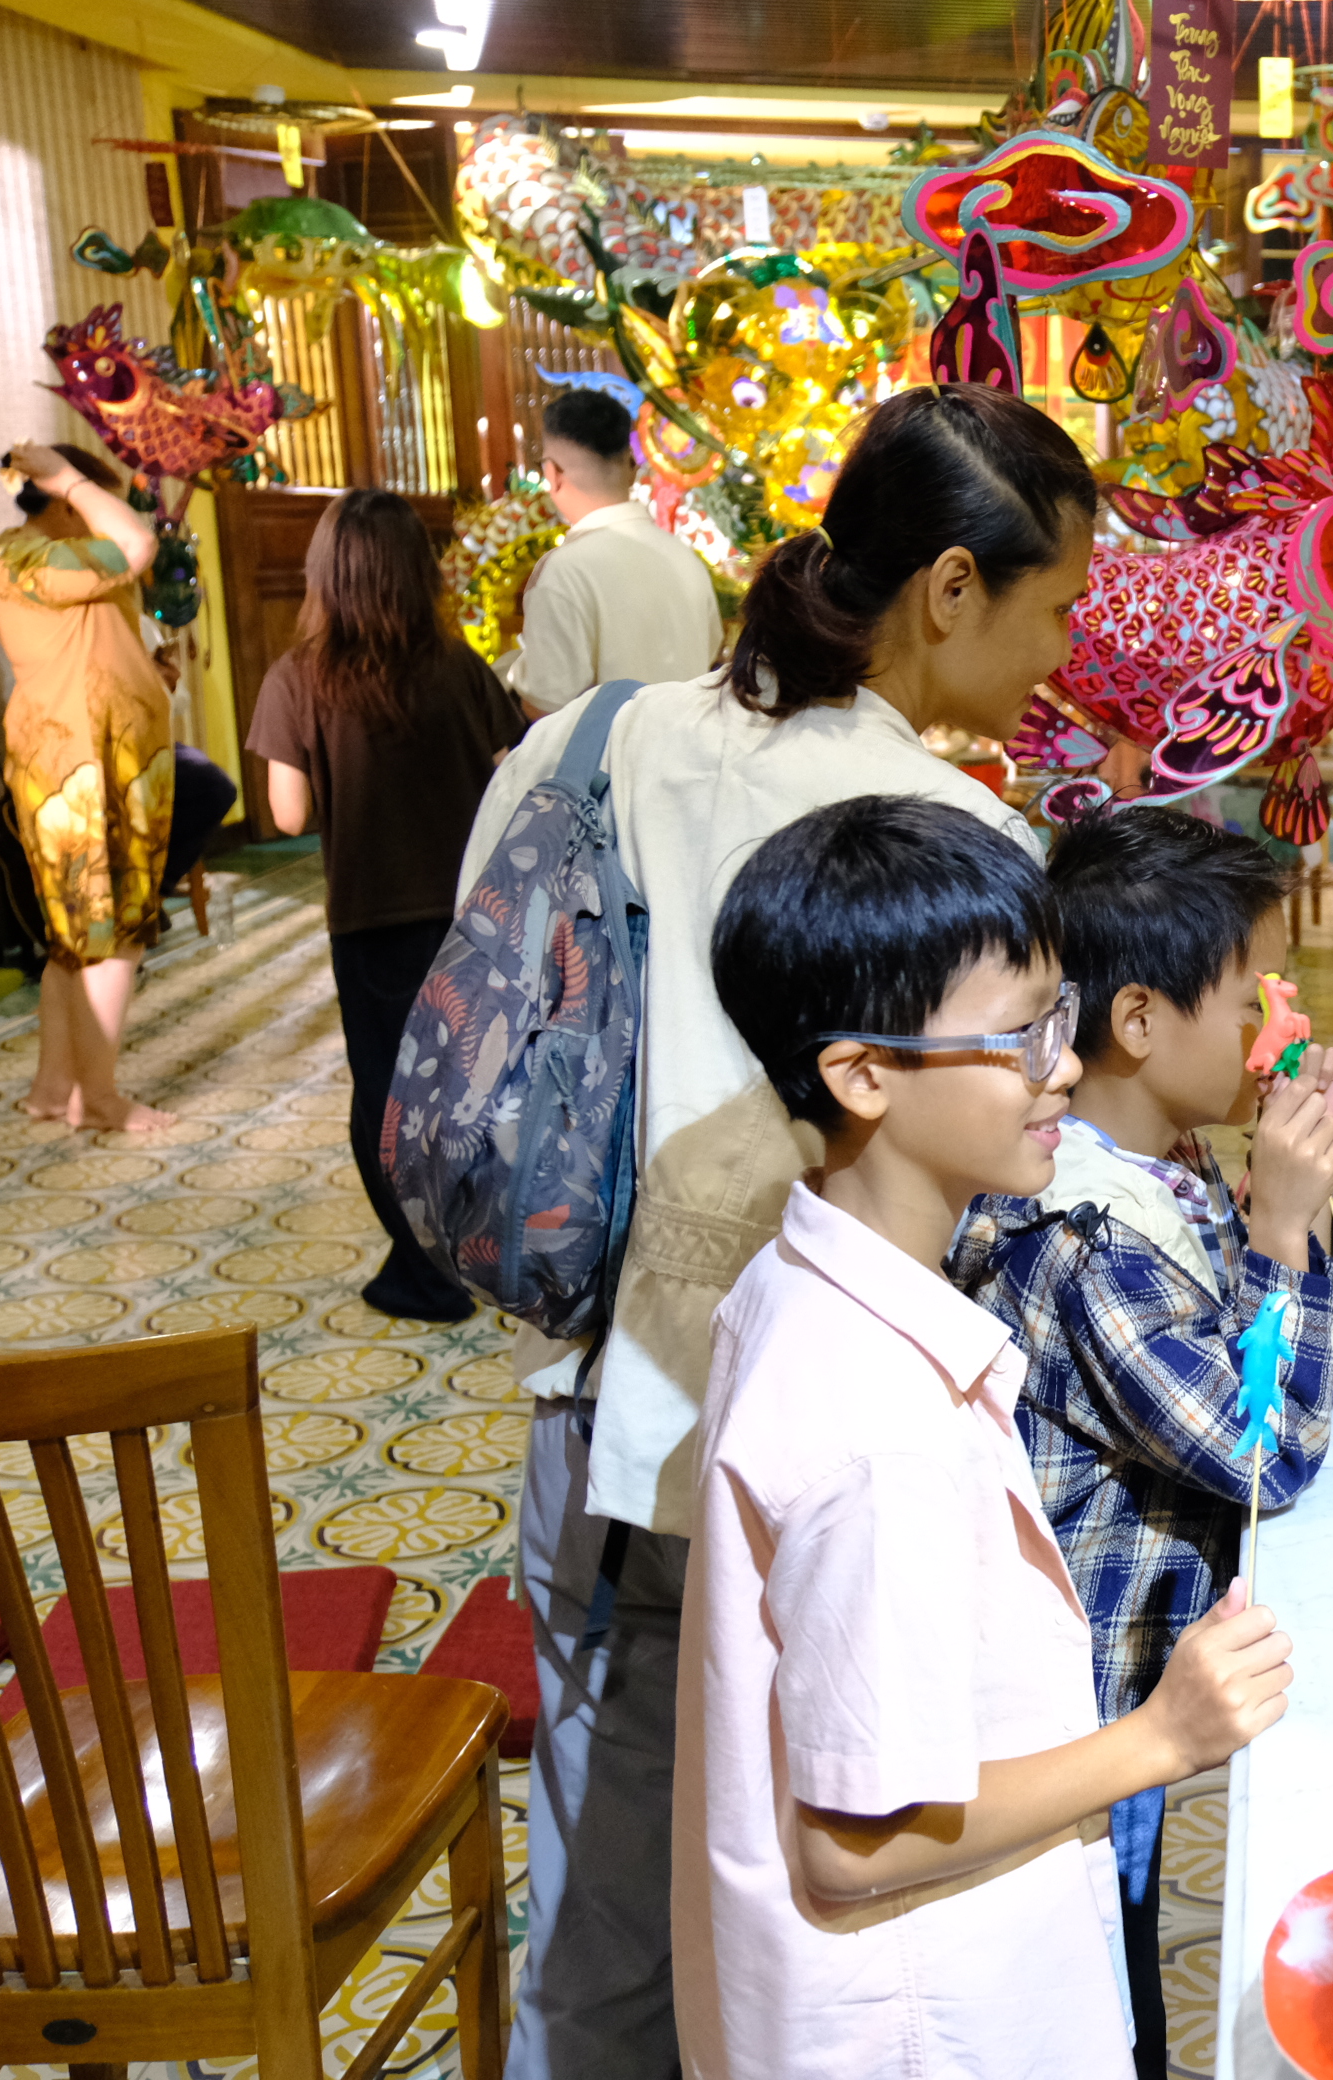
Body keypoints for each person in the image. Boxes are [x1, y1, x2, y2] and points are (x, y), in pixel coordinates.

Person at [456, 384, 1099, 2080]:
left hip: (610, 1419)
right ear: (951, 591)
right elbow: (1016, 1144)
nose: (1062, 656)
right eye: (1056, 611)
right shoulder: (947, 849)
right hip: (835, 1443)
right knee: (814, 1908)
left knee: (597, 1928)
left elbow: (492, 1025)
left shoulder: (585, 738)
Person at [677, 794, 1291, 2079]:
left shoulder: (813, 1280)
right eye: (1019, 1036)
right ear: (861, 1074)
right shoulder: (874, 1423)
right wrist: (1163, 1737)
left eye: (1057, 1022)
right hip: (919, 2027)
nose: (1060, 1068)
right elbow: (860, 1839)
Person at [947, 806, 1333, 2075]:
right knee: (1097, 1991)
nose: (1276, 1028)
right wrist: (1282, 1232)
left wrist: (1288, 1225)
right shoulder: (1084, 1236)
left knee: (1117, 1967)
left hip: (1118, 1699)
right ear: (1136, 1022)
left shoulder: (1161, 1160)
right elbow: (1265, 1453)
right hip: (1068, 1728)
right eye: (1252, 1001)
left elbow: (1289, 1382)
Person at [246, 489, 526, 1323]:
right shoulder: (458, 666)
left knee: (385, 1099)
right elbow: (514, 770)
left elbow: (289, 814)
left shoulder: (298, 678)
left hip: (368, 919)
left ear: (325, 575)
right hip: (466, 920)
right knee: (464, 1089)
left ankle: (422, 1272)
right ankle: (479, 1249)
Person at [0, 440, 172, 1131]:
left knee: (74, 939)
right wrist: (69, 481)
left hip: (91, 767)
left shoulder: (41, 560)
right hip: (83, 775)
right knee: (113, 933)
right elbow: (137, 544)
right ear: (67, 499)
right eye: (95, 498)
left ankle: (55, 1087)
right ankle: (100, 1096)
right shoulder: (26, 557)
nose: (106, 513)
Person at [506, 389, 723, 717]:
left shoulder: (564, 571)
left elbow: (545, 707)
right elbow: (709, 661)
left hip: (608, 767)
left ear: (553, 474)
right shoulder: (685, 558)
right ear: (633, 467)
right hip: (688, 761)